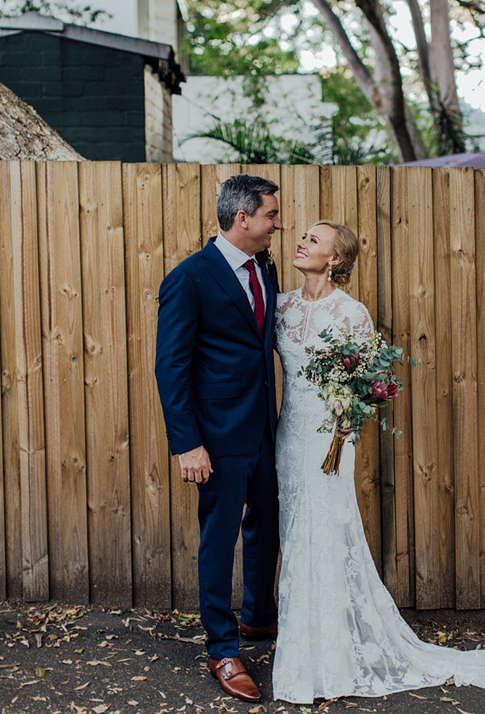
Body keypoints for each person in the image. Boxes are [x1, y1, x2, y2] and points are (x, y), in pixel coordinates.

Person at [272, 220, 485, 704]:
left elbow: (370, 382)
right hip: (289, 433)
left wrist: (349, 416)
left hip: (332, 439)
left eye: (313, 240)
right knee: (293, 531)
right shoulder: (280, 307)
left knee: (324, 532)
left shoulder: (352, 313)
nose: (301, 243)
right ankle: (304, 642)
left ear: (336, 259)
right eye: (302, 237)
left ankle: (329, 661)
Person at [155, 174, 282, 703]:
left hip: (266, 430)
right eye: (271, 215)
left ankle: (257, 619)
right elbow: (171, 366)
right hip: (216, 435)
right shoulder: (190, 278)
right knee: (219, 537)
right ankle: (222, 648)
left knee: (266, 528)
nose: (279, 223)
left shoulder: (265, 268)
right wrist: (188, 443)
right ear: (242, 218)